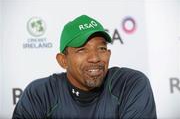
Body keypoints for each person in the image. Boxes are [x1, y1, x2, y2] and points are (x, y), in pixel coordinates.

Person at [12, 15, 157, 118]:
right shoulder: (40, 93)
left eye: (101, 48)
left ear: (109, 53)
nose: (95, 58)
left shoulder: (129, 84)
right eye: (82, 49)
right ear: (63, 61)